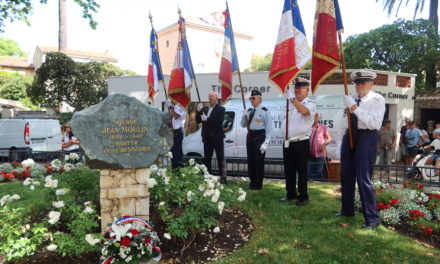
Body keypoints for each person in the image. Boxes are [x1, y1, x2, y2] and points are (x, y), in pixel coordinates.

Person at [335, 70, 385, 229]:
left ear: (371, 84)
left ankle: (372, 218)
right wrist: (339, 145)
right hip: (349, 136)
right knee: (346, 175)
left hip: (366, 137)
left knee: (364, 178)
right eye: (357, 83)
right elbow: (344, 123)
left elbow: (374, 124)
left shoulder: (377, 99)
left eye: (363, 82)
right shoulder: (352, 99)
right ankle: (347, 209)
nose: (359, 85)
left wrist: (354, 107)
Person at [280, 77, 316, 206]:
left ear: (307, 90)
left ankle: (303, 196)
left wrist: (292, 99)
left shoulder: (310, 103)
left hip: (301, 142)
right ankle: (290, 193)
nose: (297, 90)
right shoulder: (291, 104)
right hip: (288, 142)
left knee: (301, 171)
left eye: (301, 88)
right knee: (288, 170)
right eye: (296, 88)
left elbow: (304, 111)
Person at [241, 90, 273, 190]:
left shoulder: (265, 111)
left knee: (258, 161)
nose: (251, 100)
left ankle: (258, 184)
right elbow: (242, 125)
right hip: (250, 136)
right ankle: (252, 182)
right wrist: (244, 115)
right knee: (250, 160)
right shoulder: (250, 111)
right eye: (250, 98)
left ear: (260, 99)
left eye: (253, 98)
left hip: (260, 137)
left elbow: (269, 129)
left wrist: (266, 143)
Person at [196, 91, 227, 184]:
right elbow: (198, 120)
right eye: (209, 96)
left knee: (220, 158)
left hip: (217, 137)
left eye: (213, 96)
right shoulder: (205, 109)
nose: (211, 98)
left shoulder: (221, 109)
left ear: (217, 99)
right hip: (207, 138)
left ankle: (223, 178)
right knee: (207, 158)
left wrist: (207, 119)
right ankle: (208, 177)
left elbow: (218, 122)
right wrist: (198, 111)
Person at [308, 112, 332, 179]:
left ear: (319, 117)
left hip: (320, 154)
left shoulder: (323, 127)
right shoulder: (307, 127)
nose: (314, 118)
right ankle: (309, 186)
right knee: (308, 173)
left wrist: (324, 145)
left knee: (319, 173)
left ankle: (317, 184)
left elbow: (329, 138)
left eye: (316, 116)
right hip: (309, 154)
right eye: (313, 116)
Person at [166, 100, 186, 169]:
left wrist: (171, 107)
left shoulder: (180, 108)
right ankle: (173, 168)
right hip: (173, 132)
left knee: (178, 152)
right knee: (173, 153)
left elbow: (176, 116)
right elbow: (171, 117)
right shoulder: (174, 108)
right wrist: (170, 108)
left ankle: (178, 168)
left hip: (178, 132)